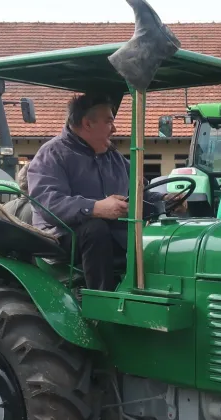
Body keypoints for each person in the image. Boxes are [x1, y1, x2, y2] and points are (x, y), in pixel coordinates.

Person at [28, 94, 175, 291]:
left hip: (115, 235)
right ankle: (101, 303)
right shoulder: (52, 154)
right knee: (95, 229)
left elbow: (140, 193)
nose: (114, 129)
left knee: (165, 236)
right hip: (62, 237)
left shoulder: (114, 157)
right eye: (108, 122)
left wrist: (165, 200)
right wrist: (95, 208)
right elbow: (48, 203)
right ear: (87, 124)